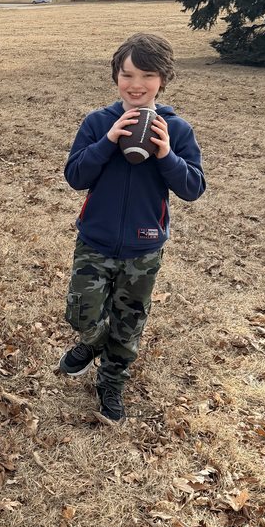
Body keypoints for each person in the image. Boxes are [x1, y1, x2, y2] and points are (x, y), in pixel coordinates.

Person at [58, 32, 205, 425]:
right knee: (81, 314)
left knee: (129, 321)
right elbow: (74, 175)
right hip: (95, 240)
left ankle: (111, 382)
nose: (136, 84)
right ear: (115, 77)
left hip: (144, 248)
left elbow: (193, 187)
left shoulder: (177, 129)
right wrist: (106, 142)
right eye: (127, 75)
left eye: (147, 75)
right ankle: (92, 343)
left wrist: (166, 155)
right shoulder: (97, 122)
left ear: (163, 79)